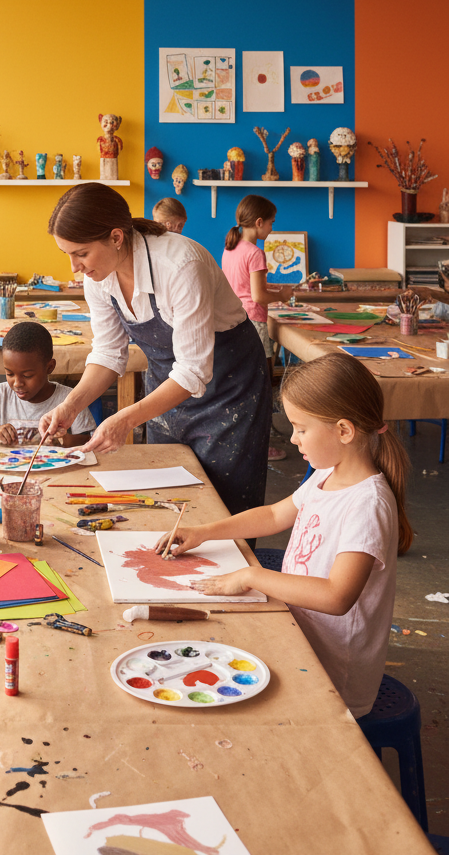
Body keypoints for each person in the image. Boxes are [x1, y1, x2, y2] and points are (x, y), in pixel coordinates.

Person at [157, 352, 411, 719]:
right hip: (298, 634)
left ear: (343, 431)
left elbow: (338, 597)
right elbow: (276, 514)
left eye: (301, 428)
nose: (293, 439)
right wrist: (204, 533)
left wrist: (251, 576)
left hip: (333, 676)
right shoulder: (328, 475)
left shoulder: (367, 504)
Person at [40, 182, 271, 517]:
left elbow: (193, 369)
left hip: (230, 387)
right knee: (166, 497)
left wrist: (126, 419)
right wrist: (70, 406)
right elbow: (107, 353)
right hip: (167, 385)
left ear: (116, 237)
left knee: (223, 506)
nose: (75, 268)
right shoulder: (98, 276)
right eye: (68, 254)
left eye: (81, 253)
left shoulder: (180, 264)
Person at [221, 195, 295, 461]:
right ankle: (260, 447)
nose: (272, 229)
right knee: (261, 387)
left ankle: (241, 443)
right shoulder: (255, 253)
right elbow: (258, 297)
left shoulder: (231, 247)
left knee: (243, 384)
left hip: (235, 321)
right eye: (272, 223)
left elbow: (242, 289)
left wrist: (275, 289)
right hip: (254, 321)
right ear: (259, 222)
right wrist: (284, 296)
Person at [0, 321, 95, 446]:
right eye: (10, 374)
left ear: (49, 367)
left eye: (27, 376)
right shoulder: (1, 394)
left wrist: (63, 440)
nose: (17, 383)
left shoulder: (70, 399)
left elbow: (88, 440)